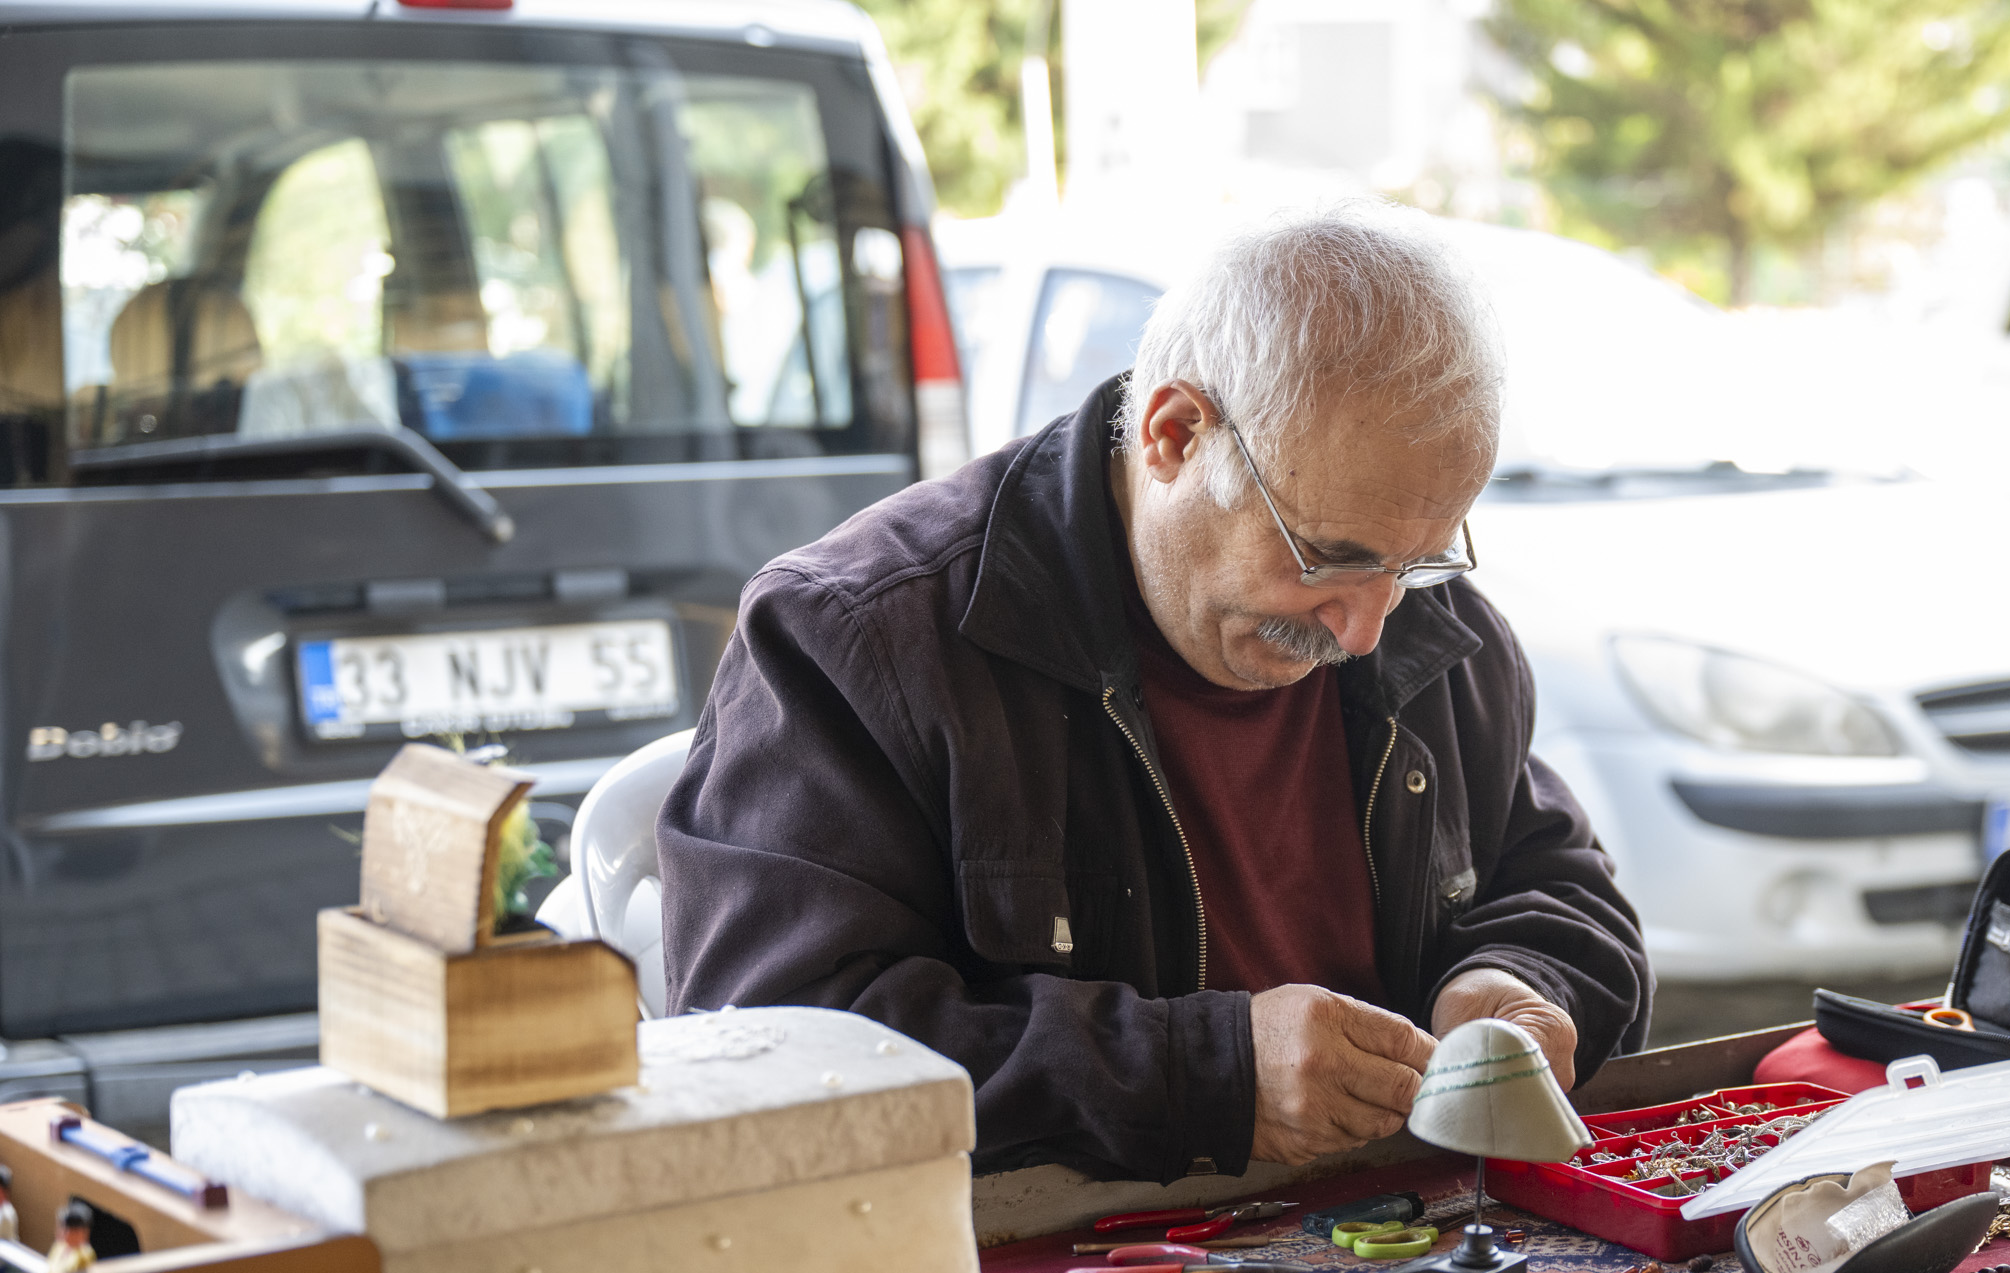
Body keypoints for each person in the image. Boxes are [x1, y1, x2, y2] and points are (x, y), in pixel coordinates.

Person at [661, 203, 1649, 1182]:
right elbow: (772, 1051)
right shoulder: (854, 638)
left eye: (1420, 560)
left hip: (1387, 1238)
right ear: (1174, 434)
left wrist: (1514, 987)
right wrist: (1203, 1074)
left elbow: (1564, 888)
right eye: (1325, 557)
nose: (1365, 627)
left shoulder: (1436, 629)